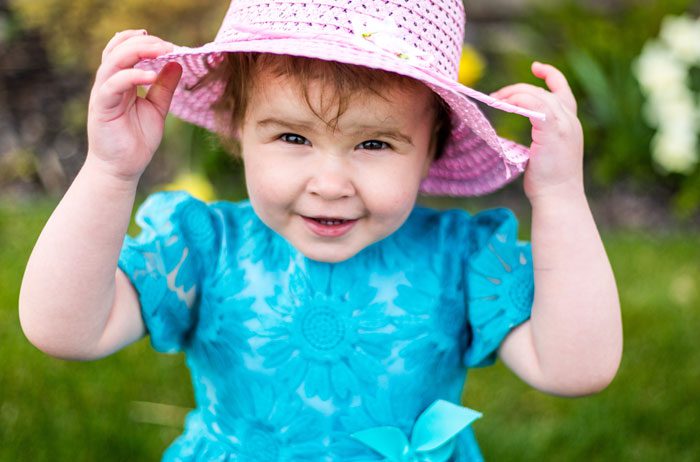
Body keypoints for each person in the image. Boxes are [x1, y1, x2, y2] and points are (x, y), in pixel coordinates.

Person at [18, 0, 623, 460]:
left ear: (434, 149)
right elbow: (66, 330)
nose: (330, 182)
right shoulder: (202, 248)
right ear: (237, 130)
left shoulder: (457, 260)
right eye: (292, 137)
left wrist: (562, 196)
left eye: (375, 143)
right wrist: (110, 172)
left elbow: (575, 368)